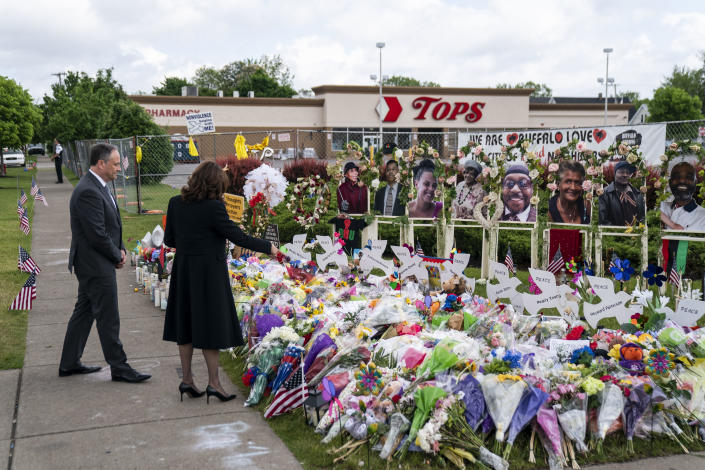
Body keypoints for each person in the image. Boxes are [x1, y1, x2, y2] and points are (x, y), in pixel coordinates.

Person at [163, 161, 282, 403]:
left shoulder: (175, 203)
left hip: (184, 271)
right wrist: (268, 247)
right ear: (215, 185)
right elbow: (237, 236)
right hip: (208, 273)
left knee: (184, 325)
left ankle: (186, 379)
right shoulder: (213, 208)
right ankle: (214, 383)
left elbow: (170, 239)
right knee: (209, 326)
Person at [59, 143, 150, 383]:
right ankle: (119, 367)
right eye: (116, 163)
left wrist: (118, 249)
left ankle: (69, 363)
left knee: (85, 312)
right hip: (94, 265)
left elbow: (109, 225)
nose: (119, 168)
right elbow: (97, 234)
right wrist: (116, 254)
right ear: (101, 164)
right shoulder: (89, 190)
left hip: (95, 262)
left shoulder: (99, 185)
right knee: (108, 316)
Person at [659, 158, 705, 231]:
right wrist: (672, 224)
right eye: (677, 177)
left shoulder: (703, 215)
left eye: (688, 177)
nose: (682, 180)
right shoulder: (661, 207)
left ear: (695, 183)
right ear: (670, 182)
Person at [598, 161, 645, 226]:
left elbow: (642, 217)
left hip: (635, 234)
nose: (625, 175)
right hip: (613, 234)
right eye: (621, 172)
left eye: (628, 173)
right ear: (615, 174)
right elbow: (602, 220)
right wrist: (618, 233)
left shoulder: (637, 194)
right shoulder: (605, 194)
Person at [548, 160, 590, 224]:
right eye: (568, 181)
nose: (573, 187)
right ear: (558, 184)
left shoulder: (586, 206)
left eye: (577, 182)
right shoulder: (548, 209)